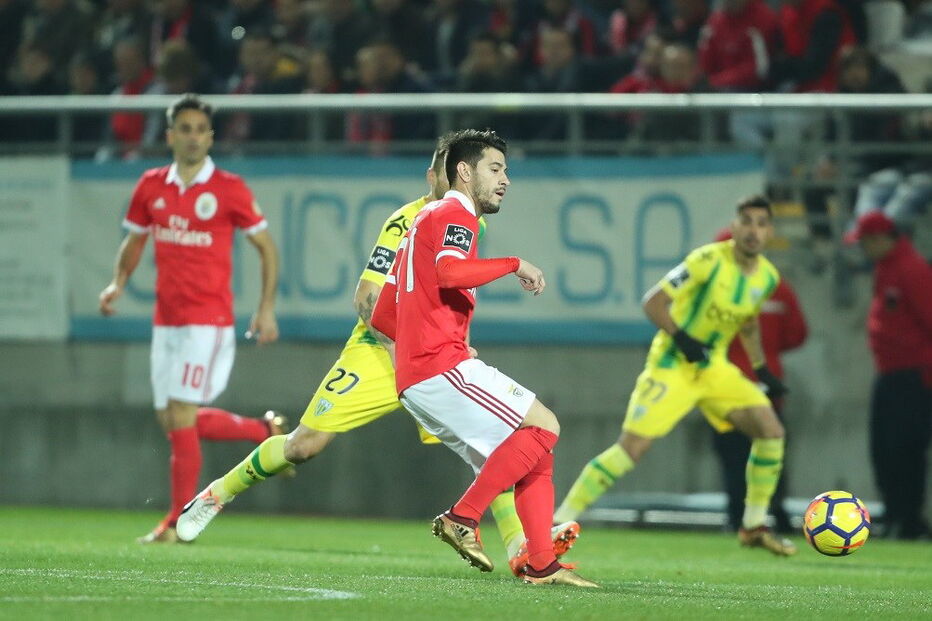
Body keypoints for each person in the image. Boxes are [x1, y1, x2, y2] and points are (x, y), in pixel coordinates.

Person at [176, 133, 581, 576]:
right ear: (439, 175)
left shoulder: (469, 222)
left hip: (427, 358)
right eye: (458, 170)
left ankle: (523, 547)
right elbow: (369, 300)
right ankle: (220, 491)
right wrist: (410, 352)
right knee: (304, 446)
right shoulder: (408, 220)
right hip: (379, 352)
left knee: (495, 445)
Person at [369, 129, 598, 587]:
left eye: (507, 170)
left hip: (419, 374)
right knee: (545, 425)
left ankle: (540, 564)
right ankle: (463, 517)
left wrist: (434, 337)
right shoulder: (458, 213)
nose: (505, 179)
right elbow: (450, 272)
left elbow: (382, 313)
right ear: (465, 171)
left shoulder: (422, 220)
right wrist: (515, 264)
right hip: (439, 366)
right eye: (496, 169)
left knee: (535, 454)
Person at [555, 195, 798, 556]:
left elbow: (747, 322)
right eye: (746, 221)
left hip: (713, 367)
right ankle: (558, 522)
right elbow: (653, 301)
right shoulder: (706, 260)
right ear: (734, 226)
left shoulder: (767, 276)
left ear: (770, 232)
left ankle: (753, 526)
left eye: (762, 223)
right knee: (632, 448)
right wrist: (682, 338)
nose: (753, 230)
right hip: (674, 364)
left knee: (771, 429)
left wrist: (761, 368)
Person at [98, 94, 282, 544]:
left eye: (201, 129)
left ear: (210, 136)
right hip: (167, 321)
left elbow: (266, 248)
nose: (194, 137)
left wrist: (265, 307)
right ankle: (265, 432)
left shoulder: (228, 187)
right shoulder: (150, 185)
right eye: (186, 129)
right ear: (171, 135)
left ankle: (179, 523)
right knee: (174, 420)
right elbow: (135, 240)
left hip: (209, 321)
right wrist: (118, 282)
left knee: (182, 413)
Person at [710, 229, 808, 534]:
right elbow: (798, 332)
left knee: (734, 456)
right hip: (767, 385)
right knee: (771, 451)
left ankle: (736, 516)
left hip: (724, 388)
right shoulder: (775, 287)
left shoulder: (712, 291)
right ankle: (774, 514)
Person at [844, 211, 932, 540]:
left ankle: (909, 519)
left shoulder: (911, 270)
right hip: (890, 375)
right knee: (884, 450)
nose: (864, 250)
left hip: (913, 376)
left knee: (906, 449)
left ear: (881, 239)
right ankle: (895, 513)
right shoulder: (886, 269)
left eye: (866, 243)